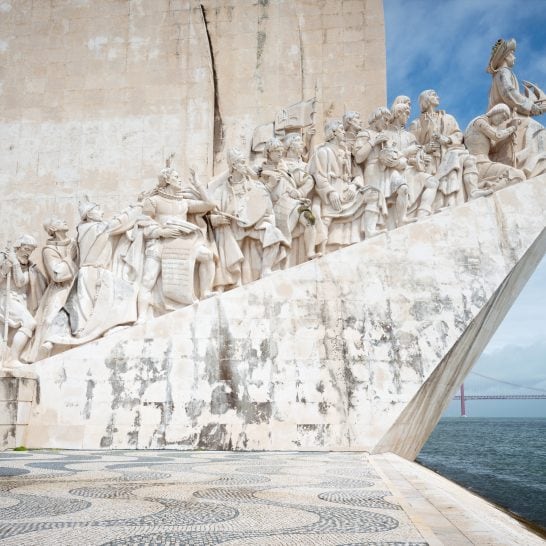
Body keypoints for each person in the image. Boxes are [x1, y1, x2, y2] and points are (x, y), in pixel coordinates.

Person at [137, 164, 217, 321]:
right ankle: (141, 317)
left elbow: (210, 204)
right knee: (147, 280)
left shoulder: (184, 203)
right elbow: (143, 223)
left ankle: (205, 292)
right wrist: (160, 232)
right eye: (176, 177)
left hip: (181, 242)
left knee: (208, 256)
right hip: (160, 243)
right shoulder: (153, 201)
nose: (179, 180)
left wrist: (198, 184)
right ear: (167, 180)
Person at [209, 147, 288, 287]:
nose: (245, 165)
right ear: (234, 165)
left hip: (253, 225)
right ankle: (235, 279)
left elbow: (266, 207)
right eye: (242, 162)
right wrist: (215, 220)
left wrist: (264, 219)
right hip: (232, 227)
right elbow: (212, 212)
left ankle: (266, 270)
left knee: (274, 233)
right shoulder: (222, 190)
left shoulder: (255, 186)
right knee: (228, 237)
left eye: (245, 162)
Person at [410, 89, 491, 208]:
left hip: (450, 151)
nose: (438, 97)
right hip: (431, 159)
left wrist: (447, 139)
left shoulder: (448, 118)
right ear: (426, 100)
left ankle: (473, 191)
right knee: (454, 160)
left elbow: (458, 134)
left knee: (469, 159)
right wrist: (425, 148)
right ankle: (445, 204)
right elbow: (411, 146)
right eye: (433, 95)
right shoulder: (417, 123)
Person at [487, 38, 546, 178]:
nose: (514, 57)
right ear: (506, 56)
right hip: (508, 118)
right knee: (537, 129)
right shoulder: (503, 72)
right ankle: (532, 167)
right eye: (512, 54)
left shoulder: (500, 74)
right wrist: (532, 107)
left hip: (508, 118)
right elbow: (509, 94)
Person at [309, 119, 373, 249]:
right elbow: (319, 176)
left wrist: (353, 186)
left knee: (373, 194)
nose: (344, 132)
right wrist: (330, 192)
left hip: (348, 190)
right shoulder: (323, 151)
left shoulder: (346, 152)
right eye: (341, 130)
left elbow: (357, 174)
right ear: (333, 132)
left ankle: (370, 232)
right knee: (326, 218)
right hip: (332, 191)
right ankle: (320, 249)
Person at [22, 218, 78, 362]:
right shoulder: (48, 250)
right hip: (59, 288)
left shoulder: (75, 242)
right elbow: (57, 275)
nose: (64, 221)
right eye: (59, 222)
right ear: (52, 229)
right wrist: (69, 258)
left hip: (77, 284)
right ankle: (43, 351)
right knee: (49, 319)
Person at [260, 137, 319, 265]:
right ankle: (274, 264)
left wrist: (296, 191)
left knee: (310, 219)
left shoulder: (284, 168)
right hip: (278, 206)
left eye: (281, 150)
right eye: (276, 151)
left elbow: (297, 181)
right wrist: (270, 185)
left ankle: (310, 252)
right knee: (283, 235)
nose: (280, 153)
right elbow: (260, 194)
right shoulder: (261, 171)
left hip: (293, 202)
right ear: (269, 152)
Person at [355, 106, 413, 230]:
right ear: (377, 118)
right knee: (374, 198)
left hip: (388, 169)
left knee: (403, 188)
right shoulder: (364, 134)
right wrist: (373, 142)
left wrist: (393, 153)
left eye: (388, 121)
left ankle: (402, 219)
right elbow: (358, 157)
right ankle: (370, 230)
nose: (387, 124)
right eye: (385, 120)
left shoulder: (386, 136)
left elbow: (394, 154)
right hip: (372, 168)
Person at [387, 100, 439, 219]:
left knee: (432, 182)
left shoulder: (410, 136)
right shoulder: (386, 134)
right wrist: (407, 153)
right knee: (403, 188)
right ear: (398, 113)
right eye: (406, 113)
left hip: (410, 170)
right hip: (393, 172)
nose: (408, 117)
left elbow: (417, 154)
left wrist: (420, 159)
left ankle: (422, 214)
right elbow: (388, 158)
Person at [0, 235, 46, 366]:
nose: (28, 253)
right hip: (5, 298)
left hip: (19, 301)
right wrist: (3, 271)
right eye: (26, 249)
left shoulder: (29, 267)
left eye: (31, 250)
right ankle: (12, 359)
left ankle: (11, 358)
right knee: (29, 323)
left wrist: (14, 263)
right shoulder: (3, 258)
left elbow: (20, 282)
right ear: (18, 247)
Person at [464, 104, 525, 189]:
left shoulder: (485, 127)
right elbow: (497, 136)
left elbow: (494, 149)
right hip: (479, 163)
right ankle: (487, 190)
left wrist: (508, 138)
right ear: (496, 111)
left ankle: (486, 188)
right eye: (503, 117)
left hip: (482, 163)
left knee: (518, 176)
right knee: (517, 175)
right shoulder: (479, 121)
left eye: (505, 119)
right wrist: (513, 128)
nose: (502, 121)